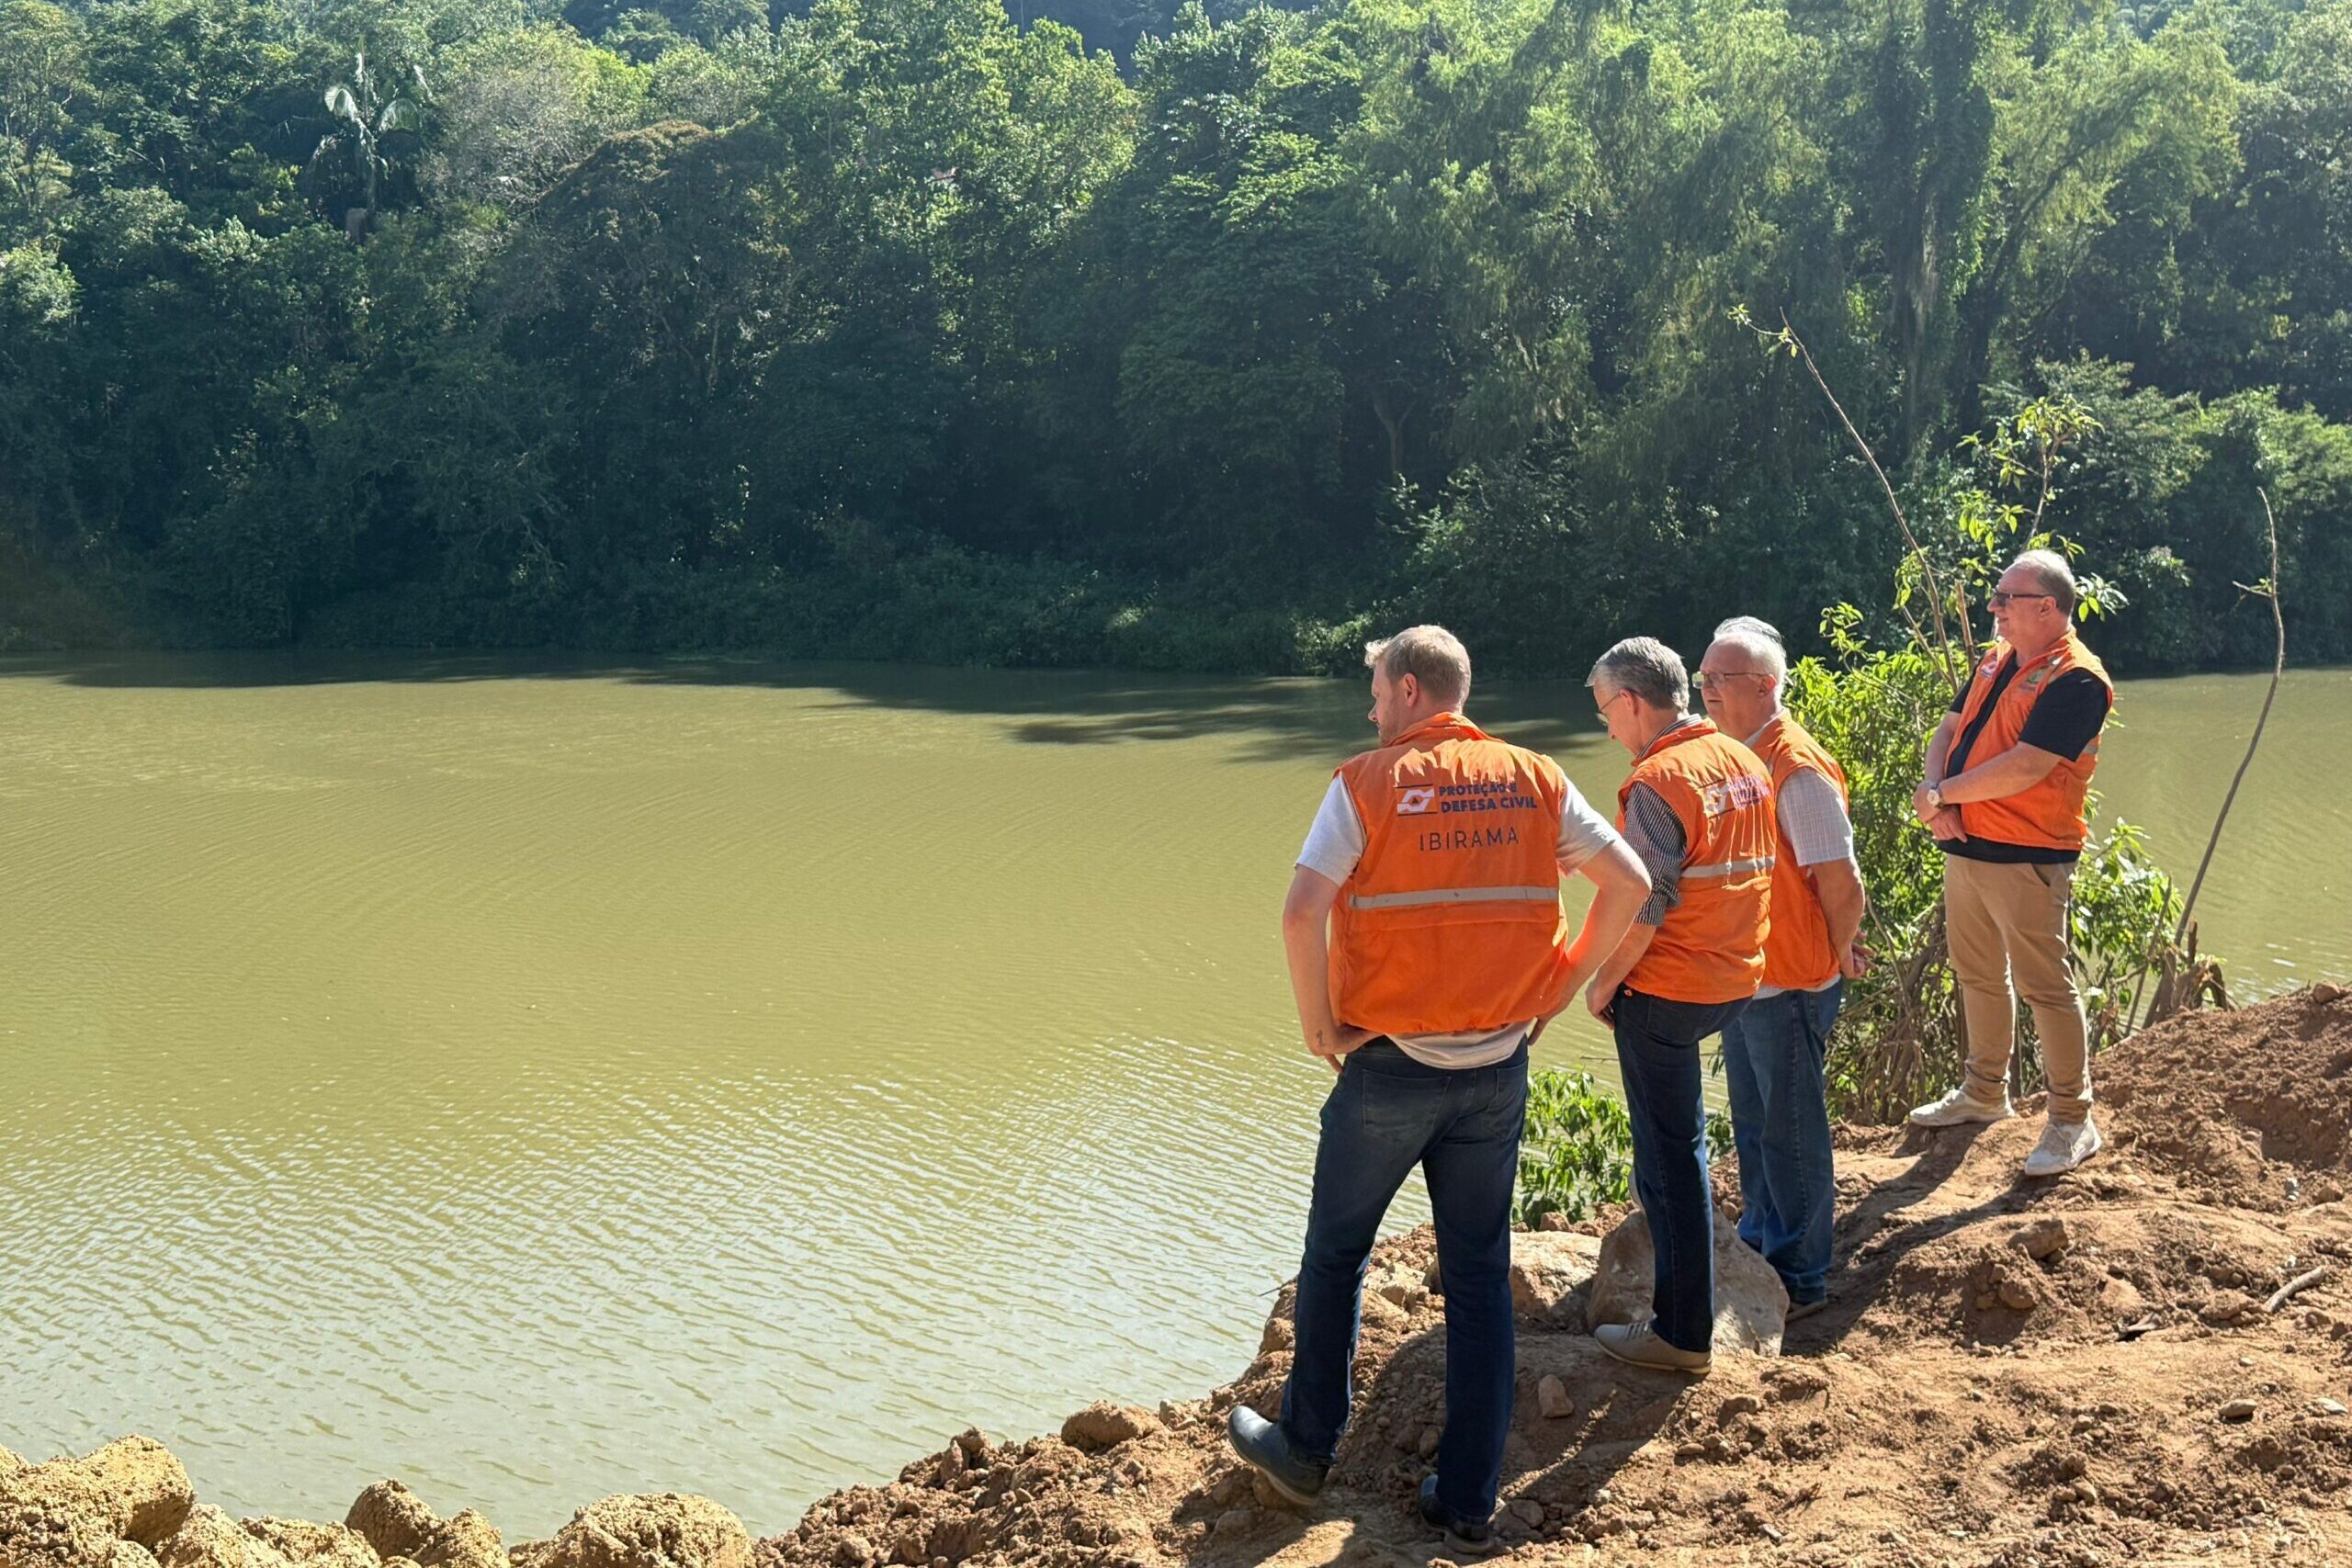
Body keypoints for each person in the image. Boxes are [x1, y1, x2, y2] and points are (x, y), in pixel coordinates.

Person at [1227, 625, 1651, 1557]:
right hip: (1495, 1068)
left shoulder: (1367, 784)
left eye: (1378, 692)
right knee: (1477, 1276)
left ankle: (1304, 1452)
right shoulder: (1535, 777)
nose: (1371, 709)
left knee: (1335, 1256)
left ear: (1412, 690)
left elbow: (1301, 912)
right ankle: (1466, 1497)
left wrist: (1318, 1027)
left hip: (1389, 1067)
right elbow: (1630, 881)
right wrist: (1557, 989)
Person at [1581, 637, 1775, 1376]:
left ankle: (1683, 1333)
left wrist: (1604, 982)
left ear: (1632, 702)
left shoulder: (1659, 782)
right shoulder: (1742, 759)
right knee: (1676, 1147)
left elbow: (1646, 900)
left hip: (1668, 987)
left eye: (1606, 711)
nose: (1607, 729)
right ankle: (1681, 1295)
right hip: (1734, 978)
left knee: (1671, 1157)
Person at [1908, 550, 2114, 1177]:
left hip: (2029, 856)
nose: (1993, 607)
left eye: (2006, 598)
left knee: (2045, 986)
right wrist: (1936, 798)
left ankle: (2072, 1120)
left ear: (2047, 607)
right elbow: (1948, 730)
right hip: (1966, 844)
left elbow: (2027, 765)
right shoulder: (1997, 658)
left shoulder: (2078, 678)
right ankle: (1983, 1092)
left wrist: (1942, 796)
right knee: (1976, 972)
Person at [1697, 618, 1867, 1321]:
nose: (1707, 690)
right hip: (1748, 976)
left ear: (1766, 686)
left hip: (1791, 979)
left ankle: (1800, 1276)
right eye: (1703, 677)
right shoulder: (1740, 757)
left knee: (1792, 1133)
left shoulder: (1795, 768)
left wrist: (1839, 950)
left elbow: (1841, 881)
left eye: (1721, 679)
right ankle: (1762, 1244)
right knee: (1756, 1123)